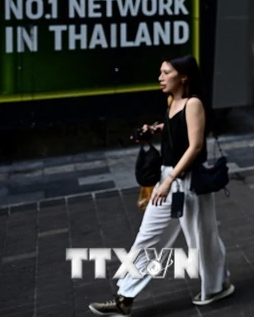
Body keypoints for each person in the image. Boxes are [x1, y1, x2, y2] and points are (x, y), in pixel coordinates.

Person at [89, 56, 233, 315]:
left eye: (167, 72)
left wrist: (169, 180)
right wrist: (153, 130)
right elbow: (175, 130)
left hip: (187, 182)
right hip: (167, 181)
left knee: (202, 239)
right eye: (161, 72)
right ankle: (124, 298)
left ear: (184, 77)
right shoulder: (172, 102)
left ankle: (216, 285)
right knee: (148, 237)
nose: (161, 77)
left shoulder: (193, 104)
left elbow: (196, 146)